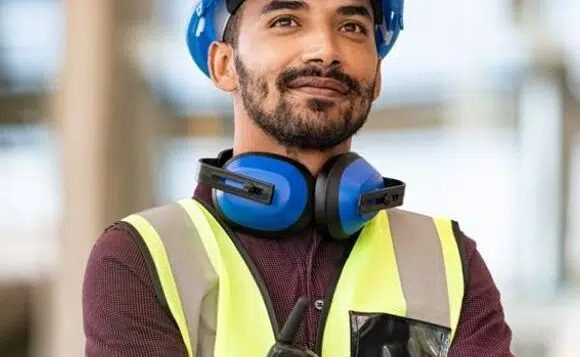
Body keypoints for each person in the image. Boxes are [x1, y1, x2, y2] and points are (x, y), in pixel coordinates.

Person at [81, 0, 515, 356]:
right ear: (225, 65)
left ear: (378, 75)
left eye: (352, 26)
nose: (325, 50)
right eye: (286, 21)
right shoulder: (140, 258)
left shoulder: (448, 263)